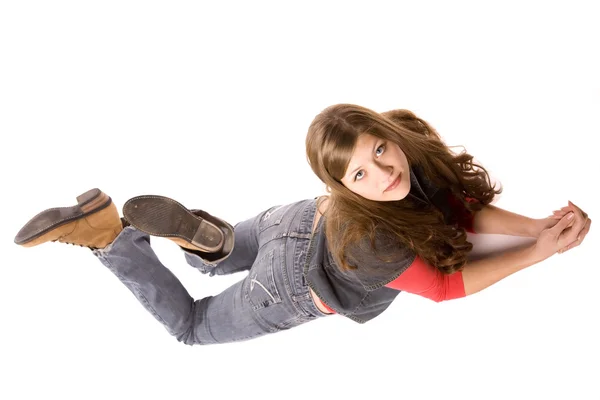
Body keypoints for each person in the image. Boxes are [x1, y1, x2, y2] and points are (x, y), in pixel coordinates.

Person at [14, 104, 591, 345]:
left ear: (390, 133)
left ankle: (203, 240)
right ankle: (111, 236)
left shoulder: (413, 147)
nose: (384, 174)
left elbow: (461, 211)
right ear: (343, 185)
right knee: (191, 326)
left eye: (381, 152)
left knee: (201, 258)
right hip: (296, 281)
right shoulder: (374, 239)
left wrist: (537, 226)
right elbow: (442, 287)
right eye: (360, 175)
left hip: (292, 220)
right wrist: (537, 253)